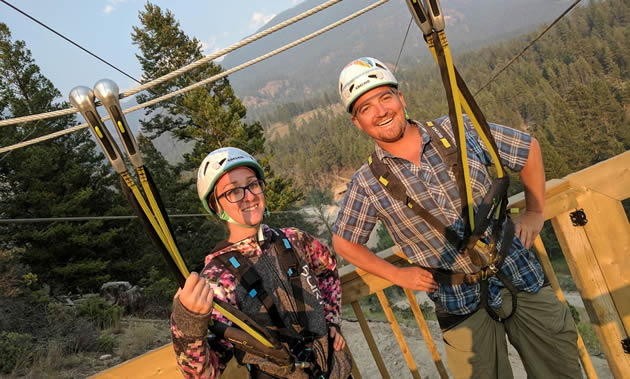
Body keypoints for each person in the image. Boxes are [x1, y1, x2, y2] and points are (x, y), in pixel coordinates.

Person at [332, 57, 580, 378]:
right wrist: (397, 275)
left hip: (518, 273)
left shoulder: (456, 130)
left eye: (385, 97)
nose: (380, 111)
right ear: (357, 122)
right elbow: (344, 241)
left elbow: (526, 149)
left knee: (560, 370)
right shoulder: (367, 182)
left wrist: (534, 212)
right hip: (458, 302)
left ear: (401, 99)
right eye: (365, 107)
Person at [170, 147, 352, 378]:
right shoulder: (217, 279)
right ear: (216, 206)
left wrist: (331, 320)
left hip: (333, 370)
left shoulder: (294, 240)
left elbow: (327, 269)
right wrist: (187, 327)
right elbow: (203, 373)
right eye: (233, 191)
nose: (248, 195)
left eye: (252, 184)